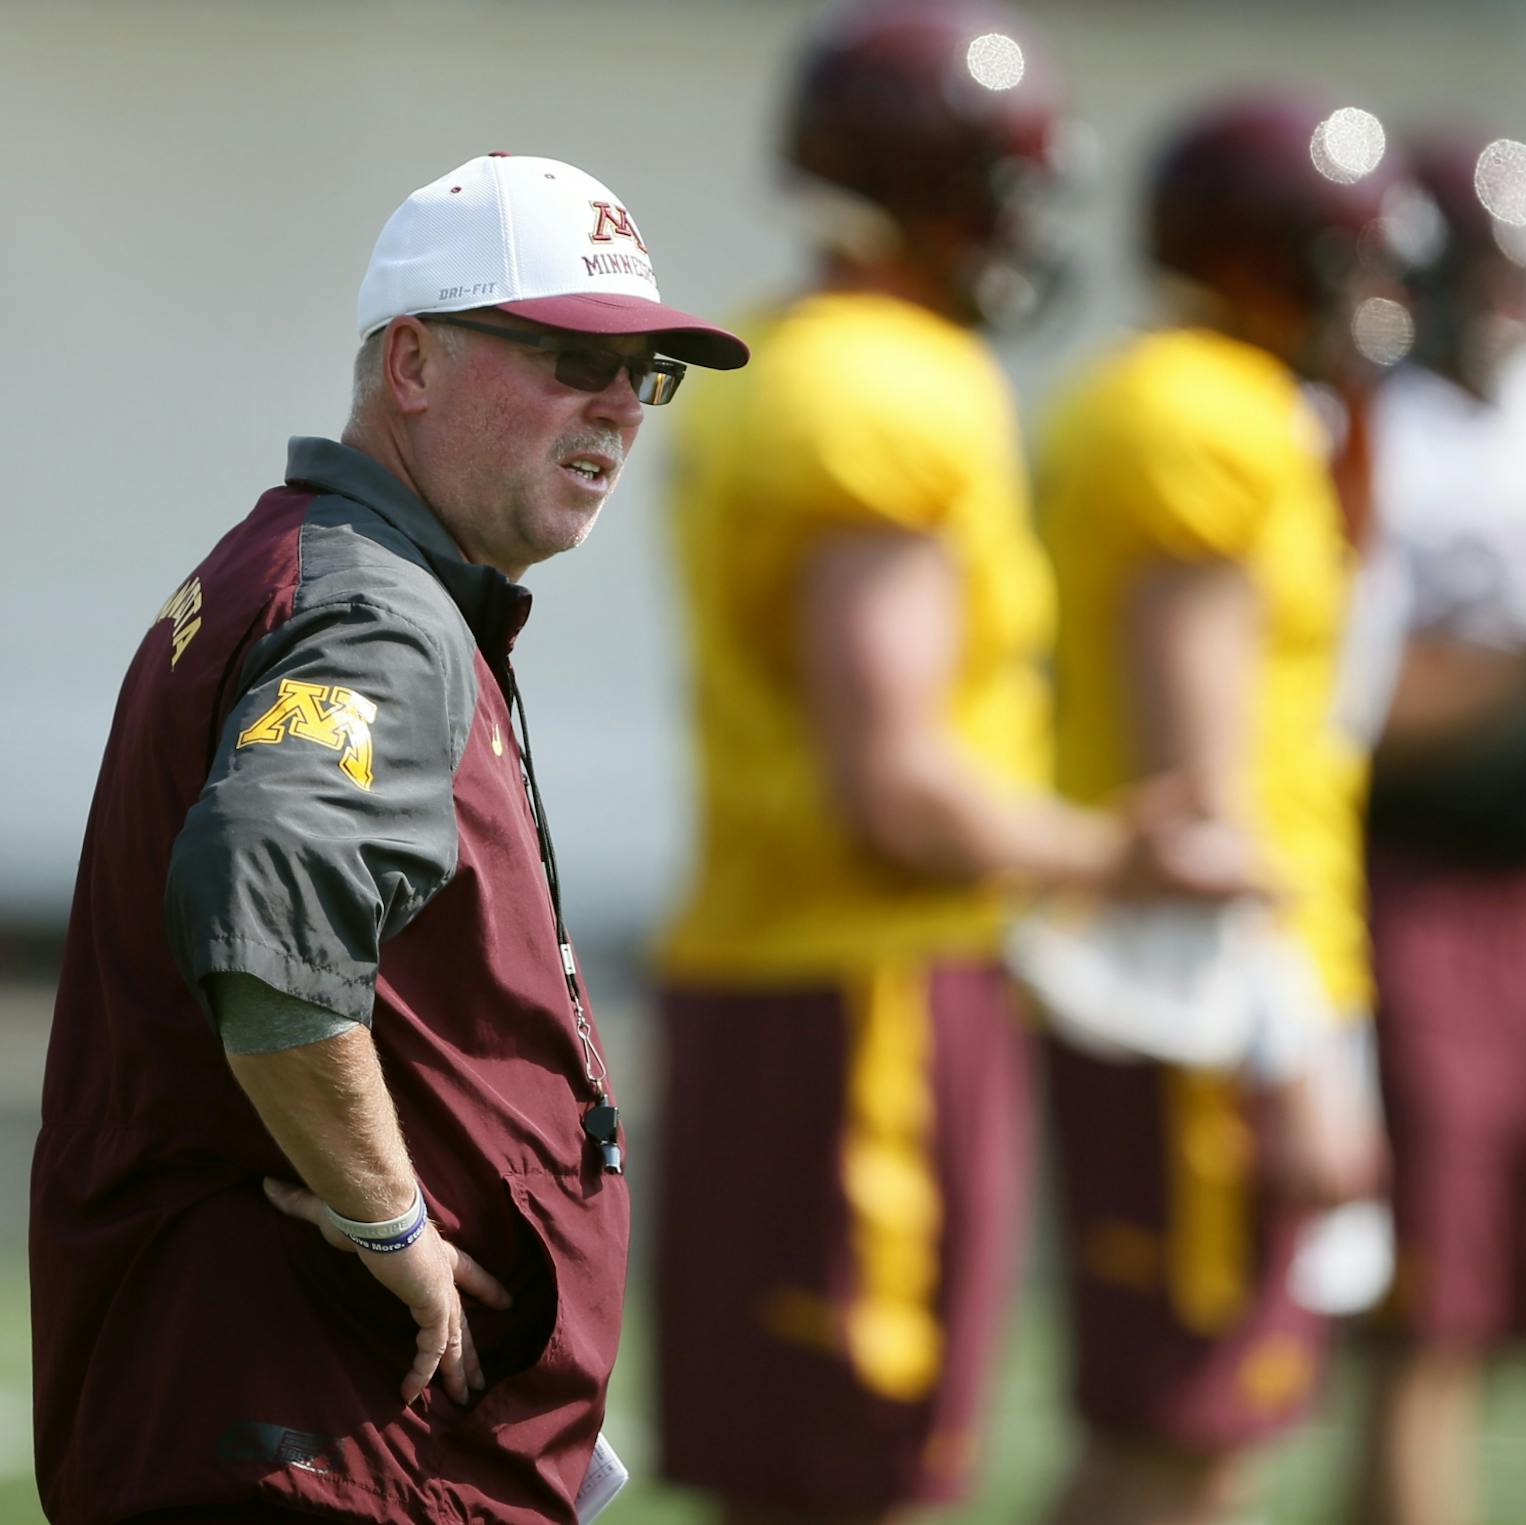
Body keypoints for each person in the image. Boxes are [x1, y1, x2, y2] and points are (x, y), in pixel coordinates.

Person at [28, 150, 745, 1524]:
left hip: (315, 1426)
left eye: (643, 373)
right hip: (317, 1437)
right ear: (409, 363)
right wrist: (391, 1221)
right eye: (560, 354)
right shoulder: (373, 615)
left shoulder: (322, 571)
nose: (615, 406)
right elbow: (272, 927)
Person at [651, 6, 1245, 1523]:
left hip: (778, 971)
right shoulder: (889, 389)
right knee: (870, 1477)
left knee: (807, 1474)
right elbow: (902, 786)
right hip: (870, 1000)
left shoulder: (782, 352)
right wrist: (1121, 850)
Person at [1032, 93, 1419, 1525]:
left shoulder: (1180, 397)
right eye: (1355, 261)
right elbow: (1204, 793)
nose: (1375, 300)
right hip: (1196, 993)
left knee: (1201, 1427)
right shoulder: (1208, 412)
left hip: (1209, 977)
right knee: (1192, 1430)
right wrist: (1296, 1050)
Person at [1339, 130, 1526, 1525]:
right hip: (1407, 891)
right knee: (1431, 1310)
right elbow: (1365, 709)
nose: (1514, 307)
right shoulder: (1359, 427)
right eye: (1490, 276)